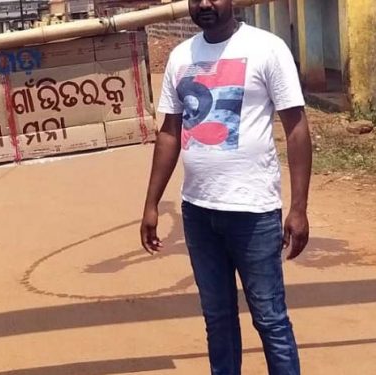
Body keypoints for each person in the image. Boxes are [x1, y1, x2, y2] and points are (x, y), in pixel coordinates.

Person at [139, 0, 312, 374]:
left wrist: (299, 208)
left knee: (269, 318)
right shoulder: (180, 56)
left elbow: (296, 128)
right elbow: (169, 133)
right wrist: (151, 204)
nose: (204, 4)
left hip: (253, 212)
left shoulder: (267, 48)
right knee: (217, 319)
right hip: (198, 212)